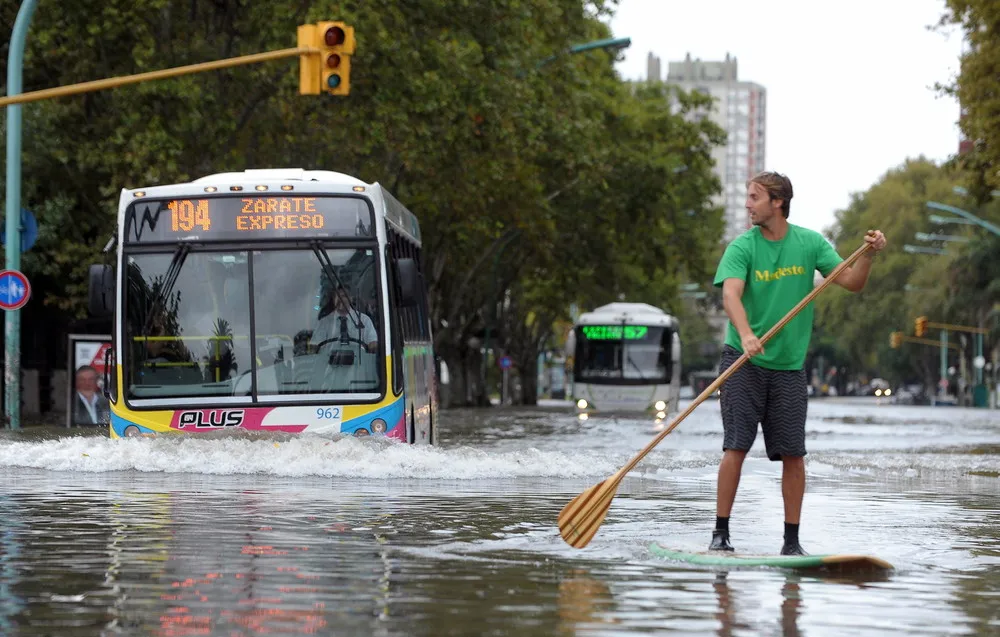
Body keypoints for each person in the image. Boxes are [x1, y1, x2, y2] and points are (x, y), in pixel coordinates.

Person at [709, 171, 887, 556]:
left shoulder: (809, 244)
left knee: (794, 453)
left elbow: (854, 282)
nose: (747, 204)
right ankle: (720, 534)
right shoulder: (742, 247)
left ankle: (792, 541)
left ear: (777, 202)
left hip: (788, 367)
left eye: (754, 197)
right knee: (735, 446)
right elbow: (731, 298)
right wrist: (747, 334)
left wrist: (869, 255)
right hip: (743, 360)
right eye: (747, 196)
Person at [310, 286, 378, 355]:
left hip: (359, 363)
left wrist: (372, 346)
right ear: (333, 299)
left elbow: (373, 343)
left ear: (350, 298)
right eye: (337, 296)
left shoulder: (364, 320)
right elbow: (314, 346)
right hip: (329, 363)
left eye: (343, 296)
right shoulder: (324, 322)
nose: (340, 299)